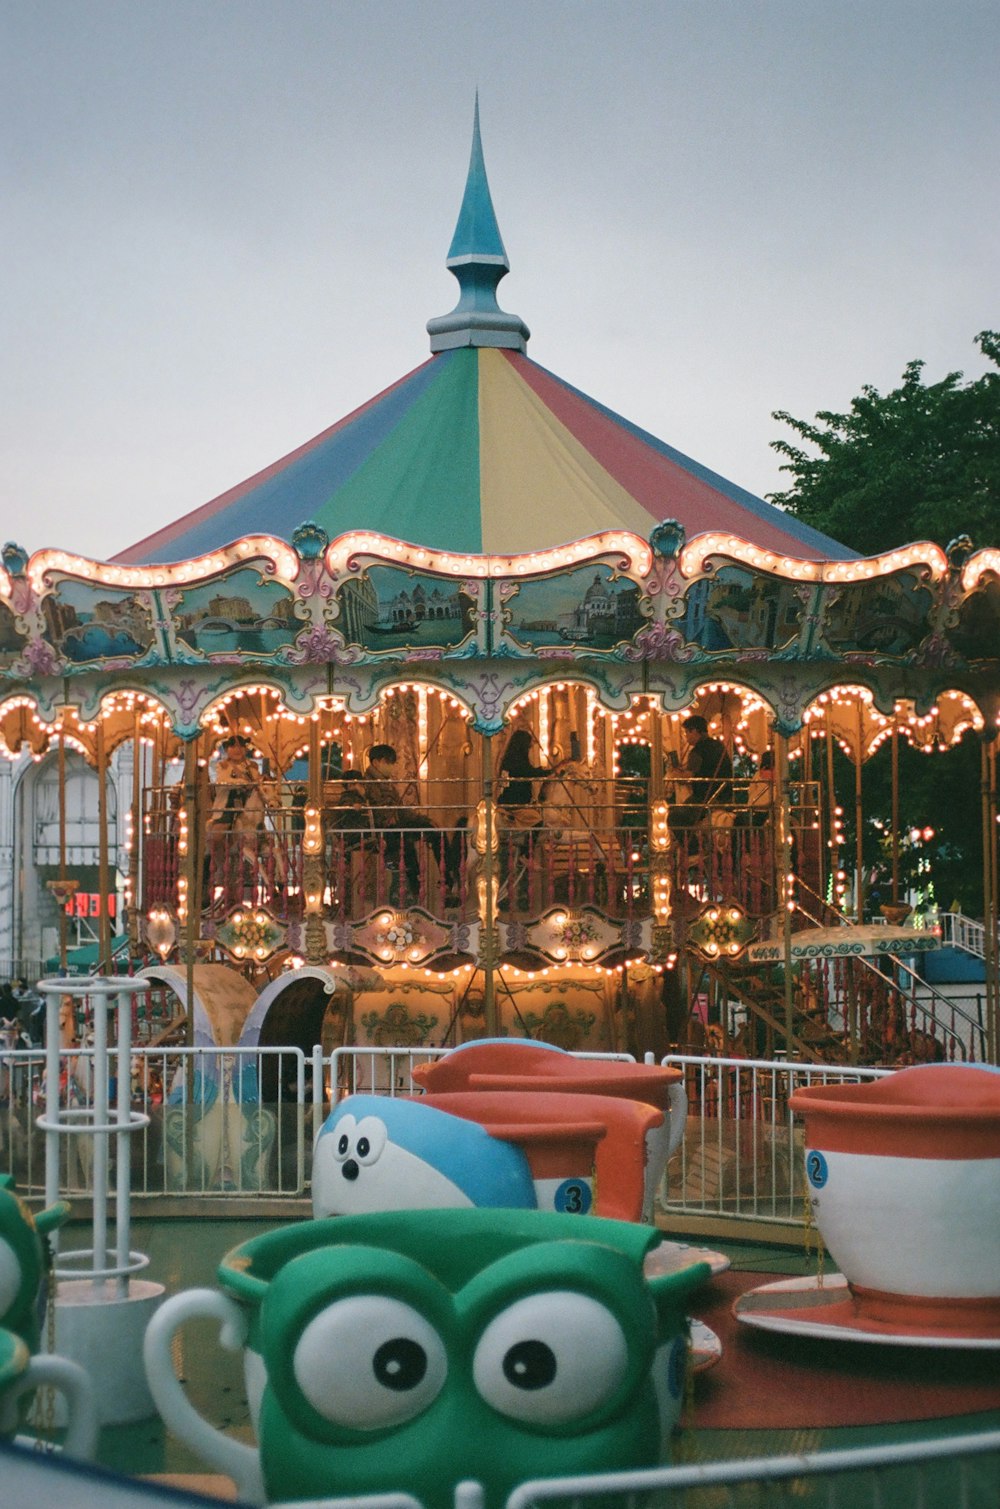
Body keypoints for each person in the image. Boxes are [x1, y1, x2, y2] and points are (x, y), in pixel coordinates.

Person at [361, 744, 457, 893]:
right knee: (405, 842)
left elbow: (401, 809)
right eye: (389, 763)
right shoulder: (367, 784)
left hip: (396, 825)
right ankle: (417, 885)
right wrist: (386, 815)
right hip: (384, 829)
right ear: (376, 763)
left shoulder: (386, 785)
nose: (391, 767)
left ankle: (448, 876)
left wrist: (424, 819)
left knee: (435, 831)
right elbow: (371, 806)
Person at [668, 715, 733, 829]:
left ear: (694, 731)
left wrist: (676, 774)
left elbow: (688, 777)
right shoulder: (718, 745)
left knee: (674, 818)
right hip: (725, 794)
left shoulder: (697, 751)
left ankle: (692, 845)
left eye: (687, 733)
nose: (686, 737)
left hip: (705, 797)